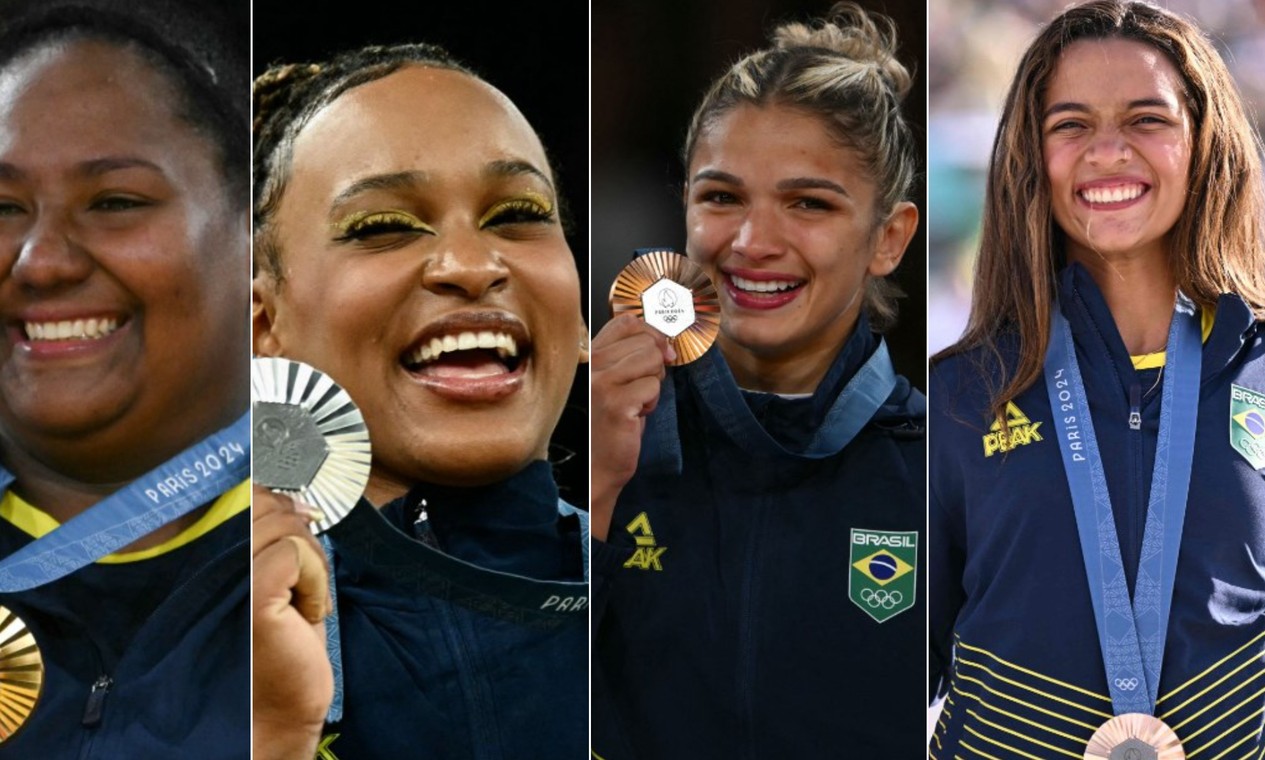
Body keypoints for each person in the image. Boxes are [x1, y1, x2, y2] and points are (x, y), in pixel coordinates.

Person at [929, 1, 1265, 757]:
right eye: (1071, 125)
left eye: (1146, 119)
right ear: (1029, 156)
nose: (1107, 151)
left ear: (1202, 143)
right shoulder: (955, 399)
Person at [590, 4, 925, 756]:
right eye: (721, 197)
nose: (751, 243)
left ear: (888, 238)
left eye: (807, 203)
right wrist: (600, 490)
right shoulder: (590, 434)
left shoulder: (942, 466)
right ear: (684, 207)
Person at [251, 43, 590, 760]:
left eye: (517, 214)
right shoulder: (157, 636)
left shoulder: (700, 607)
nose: (472, 266)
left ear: (579, 317)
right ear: (261, 329)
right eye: (382, 228)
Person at [0, 0, 250, 756]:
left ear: (253, 235)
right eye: (3, 207)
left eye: (115, 203)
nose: (42, 262)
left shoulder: (376, 571)